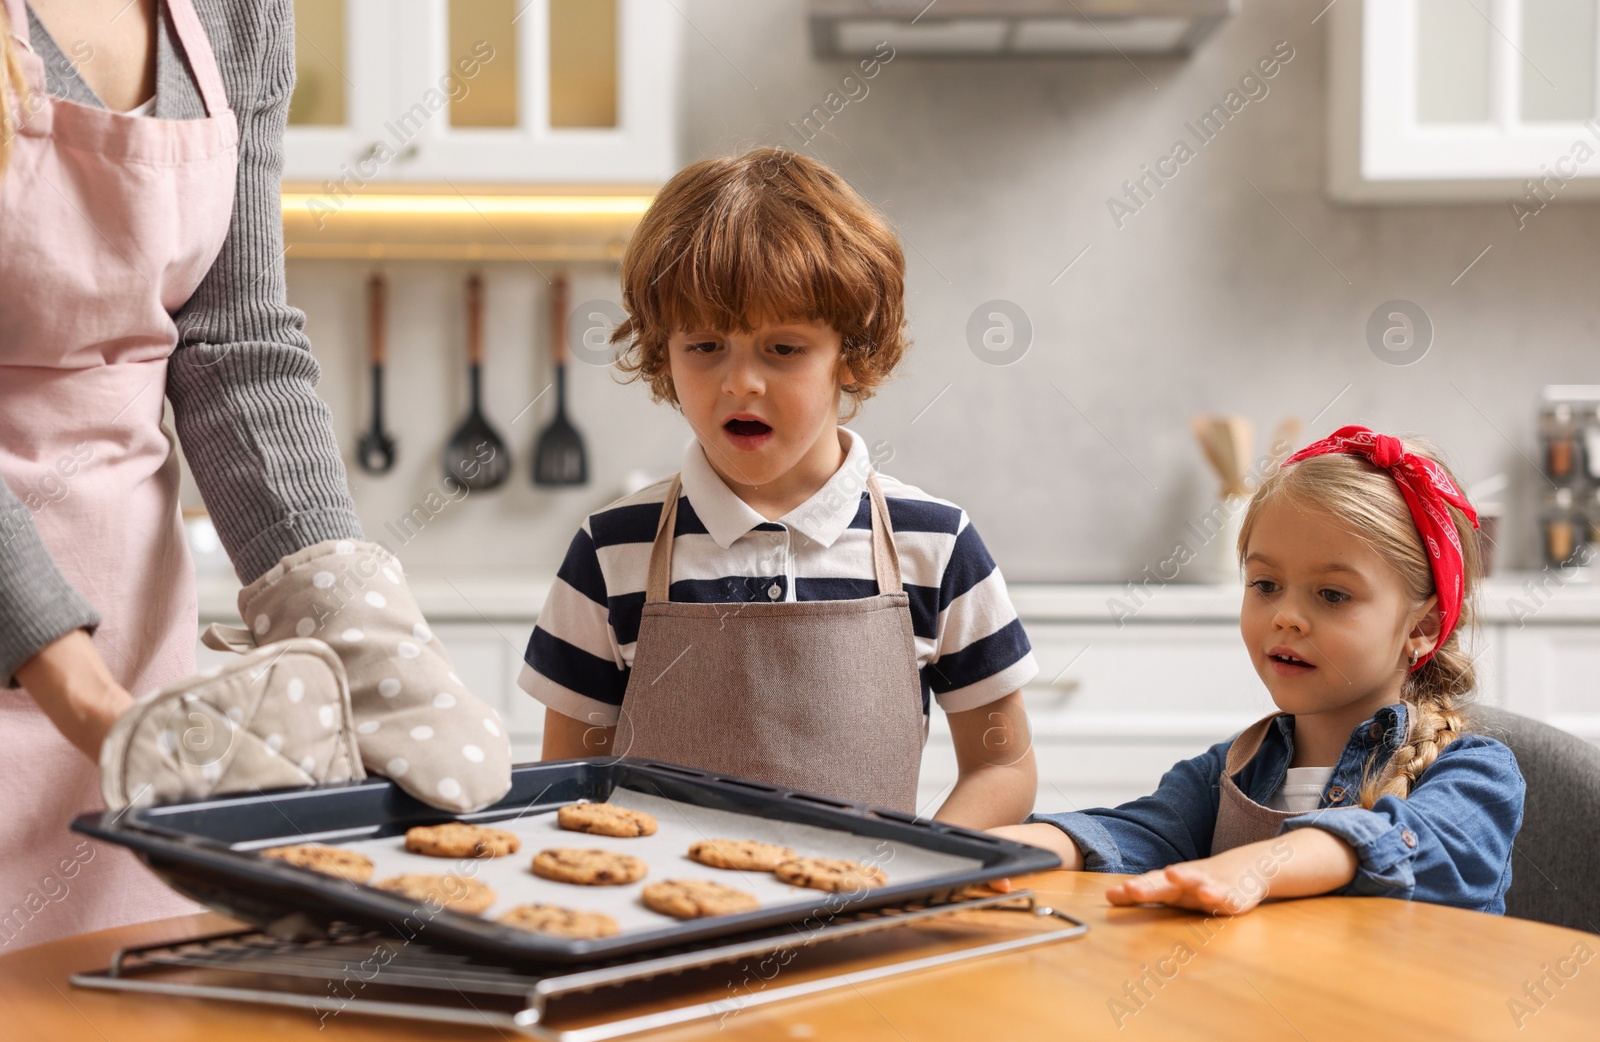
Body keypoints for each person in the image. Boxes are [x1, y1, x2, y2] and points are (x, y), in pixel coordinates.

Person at [0, 0, 507, 953]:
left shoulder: (239, 13)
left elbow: (233, 346)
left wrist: (361, 626)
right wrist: (88, 701)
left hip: (137, 662)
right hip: (67, 673)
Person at [520, 148, 1038, 828]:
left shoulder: (935, 545)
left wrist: (920, 868)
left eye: (783, 349)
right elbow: (570, 783)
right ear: (662, 353)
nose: (741, 382)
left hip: (863, 918)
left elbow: (1002, 764)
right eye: (705, 346)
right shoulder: (611, 551)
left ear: (850, 355)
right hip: (663, 926)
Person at [990, 426, 1525, 914]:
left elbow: (1410, 839)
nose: (1286, 617)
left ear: (1422, 626)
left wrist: (1259, 865)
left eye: (1332, 594)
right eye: (1266, 585)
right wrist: (1016, 848)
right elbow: (1140, 832)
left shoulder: (1478, 777)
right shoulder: (1229, 769)